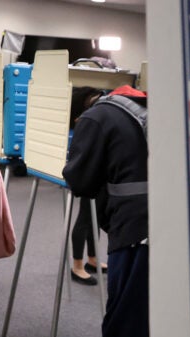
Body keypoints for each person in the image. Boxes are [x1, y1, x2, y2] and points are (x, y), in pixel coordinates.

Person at [63, 85, 150, 337]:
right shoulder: (150, 104)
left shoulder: (96, 117)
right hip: (176, 224)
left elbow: (80, 180)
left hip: (135, 227)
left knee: (125, 312)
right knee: (155, 311)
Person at [68, 87, 109, 286]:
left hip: (100, 166)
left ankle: (92, 259)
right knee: (85, 215)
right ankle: (77, 265)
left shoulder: (99, 101)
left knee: (96, 216)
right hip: (87, 168)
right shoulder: (78, 104)